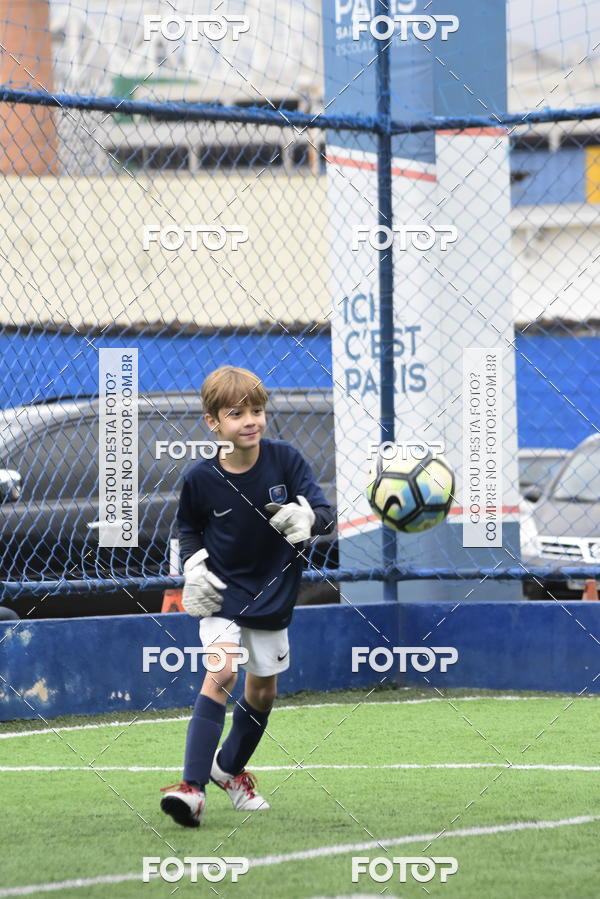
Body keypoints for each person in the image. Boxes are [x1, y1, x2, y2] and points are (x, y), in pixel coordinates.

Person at [160, 365, 334, 827]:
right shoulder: (200, 478)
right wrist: (193, 569)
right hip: (221, 595)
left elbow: (323, 510)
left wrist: (308, 521)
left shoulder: (286, 460)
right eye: (237, 414)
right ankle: (191, 789)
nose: (251, 421)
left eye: (257, 410)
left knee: (263, 691)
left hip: (275, 593)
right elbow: (188, 527)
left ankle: (229, 770)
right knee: (222, 672)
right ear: (214, 423)